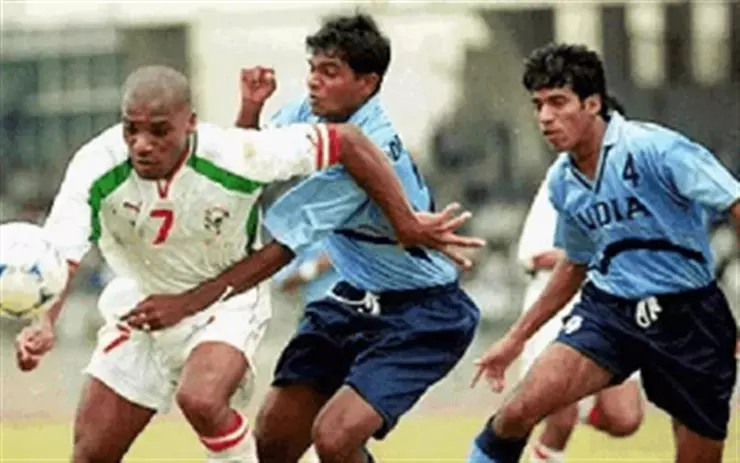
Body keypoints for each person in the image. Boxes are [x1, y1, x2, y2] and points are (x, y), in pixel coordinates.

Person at [13, 65, 480, 463]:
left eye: (159, 130)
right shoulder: (95, 165)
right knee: (90, 454)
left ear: (190, 125)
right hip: (142, 305)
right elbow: (61, 253)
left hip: (225, 302)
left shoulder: (234, 154)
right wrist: (44, 321)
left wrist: (405, 222)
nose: (142, 144)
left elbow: (348, 141)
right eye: (131, 129)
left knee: (200, 399)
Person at [198, 13, 483, 463]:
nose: (314, 81)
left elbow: (280, 250)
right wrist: (250, 110)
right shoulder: (309, 113)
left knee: (334, 439)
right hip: (353, 298)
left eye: (329, 72)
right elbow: (247, 163)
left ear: (367, 83)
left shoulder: (370, 148)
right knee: (273, 444)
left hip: (423, 312)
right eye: (312, 68)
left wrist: (196, 299)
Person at [469, 43, 739, 463]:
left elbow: (735, 203)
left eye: (558, 102)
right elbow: (575, 262)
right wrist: (514, 339)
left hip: (691, 319)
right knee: (516, 412)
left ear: (593, 103)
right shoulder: (563, 181)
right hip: (610, 312)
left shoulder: (656, 149)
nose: (544, 118)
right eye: (538, 105)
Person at [516, 169, 642, 463]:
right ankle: (556, 425)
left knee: (625, 419)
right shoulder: (561, 180)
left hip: (613, 307)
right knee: (561, 418)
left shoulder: (633, 186)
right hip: (559, 308)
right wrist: (597, 255)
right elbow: (535, 256)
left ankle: (578, 404)